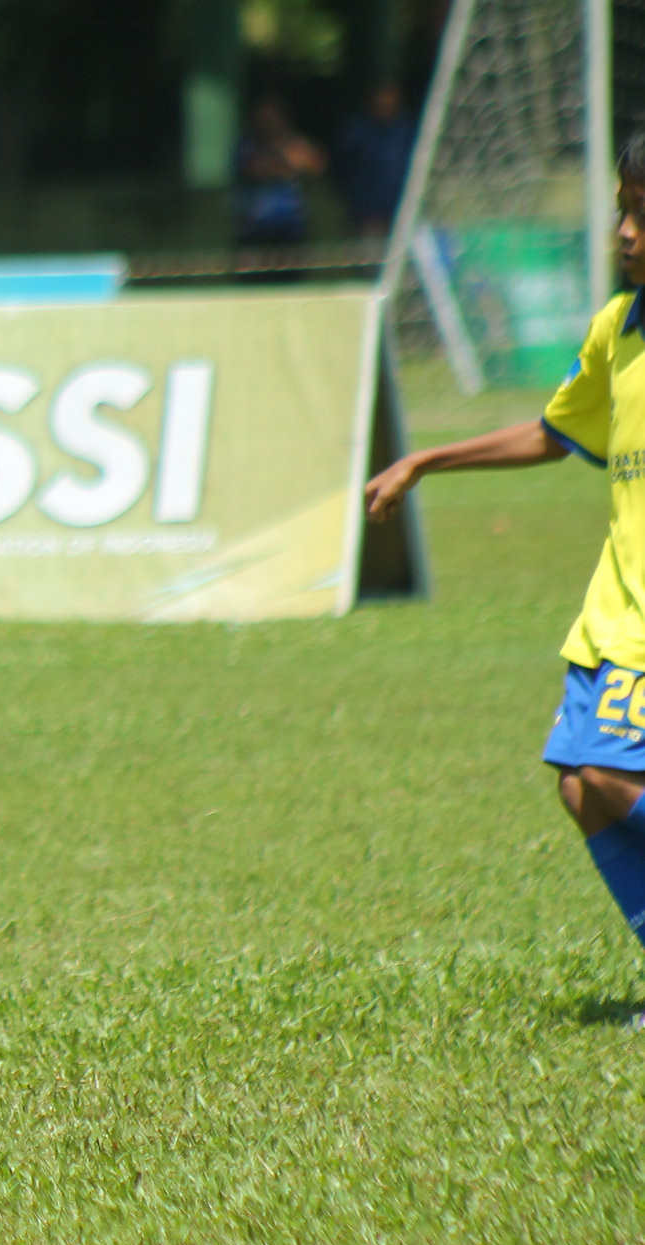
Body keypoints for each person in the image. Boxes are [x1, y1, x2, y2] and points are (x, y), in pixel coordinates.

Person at [367, 133, 645, 979]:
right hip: (613, 612)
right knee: (581, 786)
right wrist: (425, 460)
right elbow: (554, 433)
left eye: (642, 212)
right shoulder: (618, 328)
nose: (624, 231)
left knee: (607, 772)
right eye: (622, 209)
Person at [235, 94, 327, 263]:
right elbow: (254, 169)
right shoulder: (247, 145)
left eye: (273, 117)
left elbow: (316, 166)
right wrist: (287, 165)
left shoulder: (296, 142)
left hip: (291, 227)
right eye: (264, 118)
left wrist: (294, 162)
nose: (269, 122)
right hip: (255, 228)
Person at [336, 82, 417, 238]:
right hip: (369, 215)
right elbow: (342, 169)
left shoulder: (407, 130)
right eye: (381, 103)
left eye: (390, 103)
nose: (385, 108)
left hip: (403, 211)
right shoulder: (356, 132)